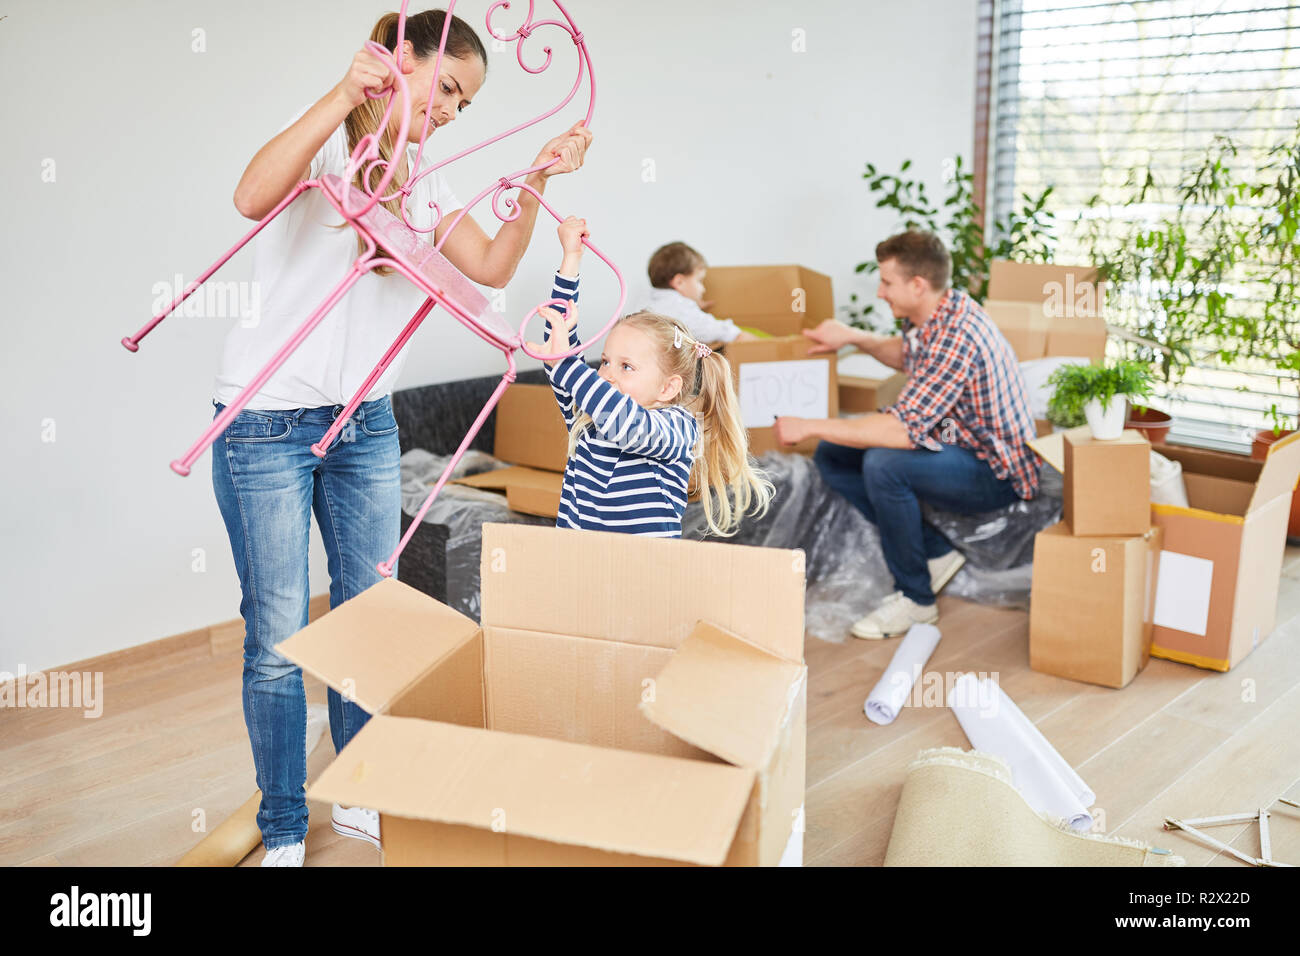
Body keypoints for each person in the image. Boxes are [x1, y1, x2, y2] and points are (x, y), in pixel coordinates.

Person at [211, 8, 592, 866]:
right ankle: (281, 827)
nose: (454, 112)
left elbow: (491, 266)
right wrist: (344, 92)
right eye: (447, 89)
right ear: (401, 61)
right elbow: (248, 195)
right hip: (264, 422)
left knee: (368, 618)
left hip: (365, 424)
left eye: (467, 103)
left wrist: (534, 176)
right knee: (276, 638)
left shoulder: (427, 185)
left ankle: (362, 794)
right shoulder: (327, 147)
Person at [772, 229, 1038, 639]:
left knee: (884, 463)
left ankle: (916, 600)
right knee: (833, 453)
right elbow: (906, 355)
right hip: (960, 442)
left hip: (995, 472)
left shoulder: (959, 335)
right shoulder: (941, 312)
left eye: (887, 282)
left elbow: (901, 430)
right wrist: (855, 338)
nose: (880, 292)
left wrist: (807, 425)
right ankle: (935, 552)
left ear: (917, 285)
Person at [528, 221, 774, 538]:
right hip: (581, 572)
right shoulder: (589, 419)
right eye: (604, 361)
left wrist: (566, 366)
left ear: (668, 388)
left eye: (626, 366)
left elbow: (627, 425)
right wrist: (570, 260)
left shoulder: (677, 426)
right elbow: (558, 350)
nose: (606, 374)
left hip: (642, 578)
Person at [641, 241, 760, 346]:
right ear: (679, 282)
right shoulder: (683, 310)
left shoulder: (649, 302)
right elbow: (720, 331)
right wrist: (739, 335)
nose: (703, 289)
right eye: (699, 281)